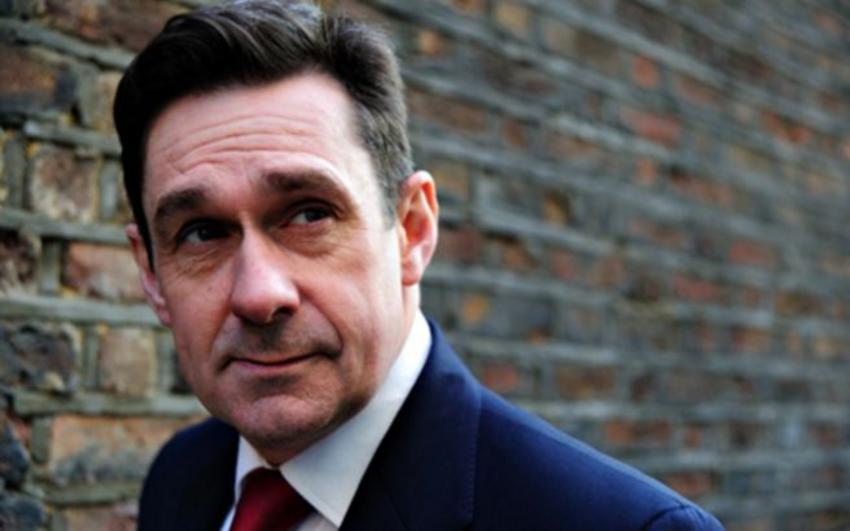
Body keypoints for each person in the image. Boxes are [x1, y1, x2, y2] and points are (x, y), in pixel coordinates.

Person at [113, 1, 724, 529]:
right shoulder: (180, 479)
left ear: (412, 230)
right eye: (201, 233)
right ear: (152, 275)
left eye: (308, 215)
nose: (258, 293)